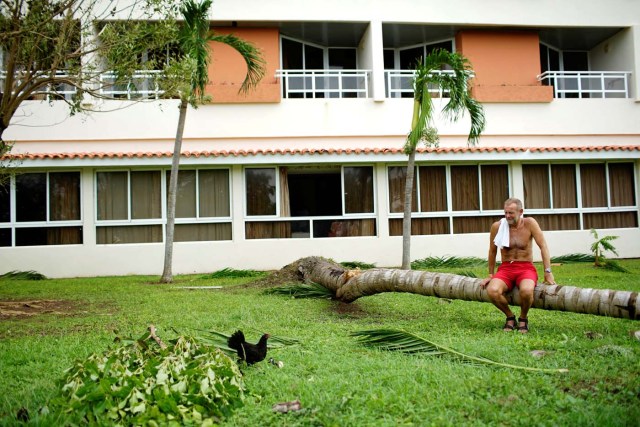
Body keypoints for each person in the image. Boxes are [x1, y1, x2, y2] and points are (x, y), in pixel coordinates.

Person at [480, 197, 556, 333]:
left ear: (521, 211)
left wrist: (548, 271)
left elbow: (543, 246)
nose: (507, 216)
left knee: (526, 291)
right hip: (506, 268)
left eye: (511, 213)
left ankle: (523, 318)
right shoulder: (497, 226)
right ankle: (510, 317)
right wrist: (491, 274)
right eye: (506, 213)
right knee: (492, 291)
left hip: (526, 267)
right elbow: (492, 251)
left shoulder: (530, 223)